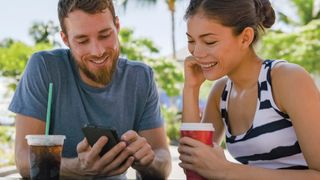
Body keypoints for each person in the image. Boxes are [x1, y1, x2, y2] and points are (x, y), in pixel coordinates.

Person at [9, 0, 171, 179]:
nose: (97, 51)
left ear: (117, 26)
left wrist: (148, 161)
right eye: (82, 40)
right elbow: (23, 159)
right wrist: (78, 168)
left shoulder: (141, 77)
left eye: (104, 35)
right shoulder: (44, 68)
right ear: (65, 39)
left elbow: (163, 162)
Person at [178, 0, 320, 179]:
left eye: (209, 41)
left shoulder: (286, 79)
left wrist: (227, 170)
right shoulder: (221, 93)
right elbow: (195, 168)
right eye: (191, 40)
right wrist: (191, 88)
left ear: (245, 38)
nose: (196, 52)